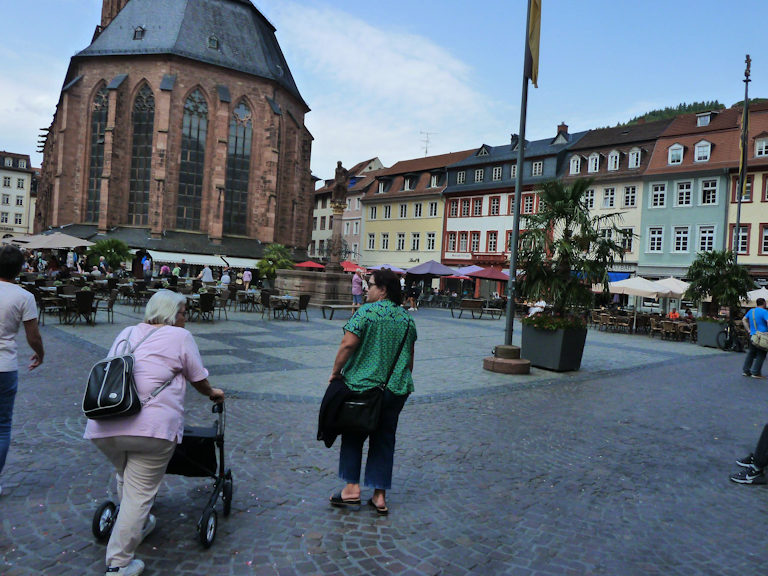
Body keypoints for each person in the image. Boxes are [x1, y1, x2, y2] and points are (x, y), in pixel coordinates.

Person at [84, 290, 224, 575]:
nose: (187, 318)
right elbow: (198, 378)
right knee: (139, 494)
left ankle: (139, 524)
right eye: (184, 312)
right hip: (151, 430)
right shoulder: (180, 337)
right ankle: (119, 564)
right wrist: (213, 393)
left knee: (126, 474)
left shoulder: (126, 332)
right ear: (173, 314)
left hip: (104, 425)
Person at [327, 268, 416, 515]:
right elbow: (409, 360)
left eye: (371, 284)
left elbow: (348, 344)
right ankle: (379, 495)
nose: (367, 289)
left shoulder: (366, 312)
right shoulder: (407, 319)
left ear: (383, 290)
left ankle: (351, 490)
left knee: (353, 434)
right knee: (384, 439)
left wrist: (335, 372)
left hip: (362, 386)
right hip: (395, 389)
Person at [0, 245, 44, 495]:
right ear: (20, 269)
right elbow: (33, 336)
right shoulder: (23, 296)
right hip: (4, 366)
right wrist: (40, 354)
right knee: (2, 426)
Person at [742, 298, 768, 378]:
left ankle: (746, 371)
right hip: (762, 336)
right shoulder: (765, 312)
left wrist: (748, 330)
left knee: (751, 353)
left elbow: (744, 320)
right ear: (764, 303)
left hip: (753, 335)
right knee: (761, 354)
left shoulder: (751, 311)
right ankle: (755, 372)